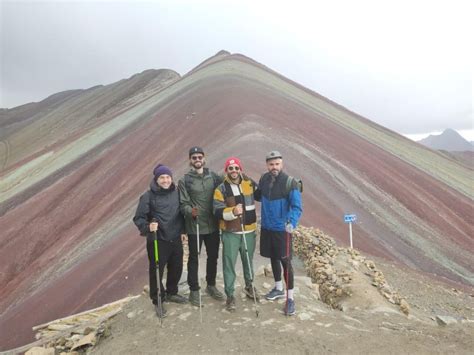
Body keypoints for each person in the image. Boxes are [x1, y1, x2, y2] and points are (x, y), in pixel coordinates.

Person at [133, 164, 188, 318]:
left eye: (168, 177)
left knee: (176, 266)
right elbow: (139, 218)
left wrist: (183, 231)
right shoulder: (148, 196)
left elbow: (181, 214)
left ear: (171, 178)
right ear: (156, 180)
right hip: (158, 238)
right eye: (162, 178)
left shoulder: (177, 193)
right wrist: (148, 227)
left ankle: (172, 292)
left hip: (175, 236)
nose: (165, 180)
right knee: (157, 270)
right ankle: (158, 299)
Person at [256, 151, 302, 316]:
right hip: (267, 228)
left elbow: (297, 207)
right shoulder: (264, 179)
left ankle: (290, 299)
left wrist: (291, 222)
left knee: (285, 262)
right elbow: (258, 196)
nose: (274, 167)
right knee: (273, 257)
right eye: (271, 164)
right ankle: (278, 288)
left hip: (282, 229)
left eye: (276, 164)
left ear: (281, 164)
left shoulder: (290, 183)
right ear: (267, 165)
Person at [178, 146, 224, 306]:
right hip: (194, 225)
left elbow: (225, 190)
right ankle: (194, 290)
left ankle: (210, 286)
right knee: (194, 258)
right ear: (190, 160)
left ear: (204, 158)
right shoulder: (184, 181)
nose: (197, 160)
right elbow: (183, 204)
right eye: (194, 157)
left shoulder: (214, 177)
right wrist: (191, 211)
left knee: (213, 257)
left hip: (212, 225)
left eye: (200, 157)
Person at [213, 157, 259, 312]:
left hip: (249, 230)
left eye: (236, 168)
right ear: (226, 171)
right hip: (231, 232)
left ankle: (249, 286)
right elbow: (217, 211)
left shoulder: (249, 184)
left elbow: (262, 193)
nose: (234, 171)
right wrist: (233, 211)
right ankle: (230, 295)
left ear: (240, 169)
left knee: (248, 261)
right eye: (230, 168)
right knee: (229, 264)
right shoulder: (221, 189)